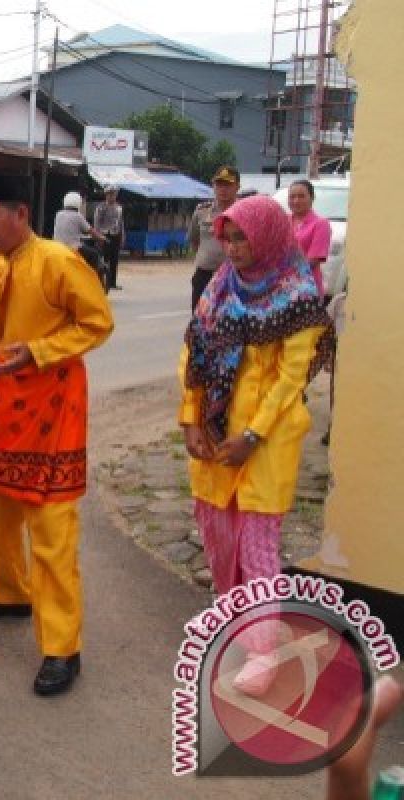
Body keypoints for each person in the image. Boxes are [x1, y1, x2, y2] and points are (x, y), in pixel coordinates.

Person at [0, 174, 114, 697]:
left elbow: (98, 322)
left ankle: (62, 646)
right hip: (3, 405)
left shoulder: (60, 262)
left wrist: (38, 351)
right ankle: (9, 593)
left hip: (54, 408)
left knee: (51, 530)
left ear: (21, 214)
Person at [179, 194, 334, 695]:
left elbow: (291, 379)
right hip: (216, 432)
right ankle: (234, 623)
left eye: (241, 235)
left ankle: (264, 653)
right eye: (227, 235)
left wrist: (252, 434)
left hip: (267, 439)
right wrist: (190, 420)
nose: (231, 245)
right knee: (219, 537)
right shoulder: (221, 286)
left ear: (266, 235)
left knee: (258, 546)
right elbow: (193, 355)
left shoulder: (298, 296)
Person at [188, 166, 240, 310]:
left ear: (237, 187)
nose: (223, 189)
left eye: (228, 185)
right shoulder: (202, 211)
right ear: (213, 186)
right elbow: (194, 240)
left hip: (234, 276)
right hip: (204, 275)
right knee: (199, 320)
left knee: (231, 320)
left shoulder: (244, 211)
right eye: (219, 185)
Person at [287, 179, 333, 298]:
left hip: (308, 288)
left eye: (301, 196)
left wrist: (284, 272)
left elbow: (313, 260)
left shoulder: (320, 224)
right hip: (283, 289)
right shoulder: (284, 221)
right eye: (292, 197)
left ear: (312, 198)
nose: (296, 201)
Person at [93, 185, 124, 290]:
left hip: (116, 235)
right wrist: (98, 237)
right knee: (104, 260)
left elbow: (121, 223)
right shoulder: (101, 207)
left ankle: (113, 283)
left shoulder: (119, 207)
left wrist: (123, 235)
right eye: (110, 194)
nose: (112, 196)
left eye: (114, 194)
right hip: (104, 236)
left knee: (114, 260)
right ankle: (102, 282)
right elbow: (96, 223)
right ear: (106, 195)